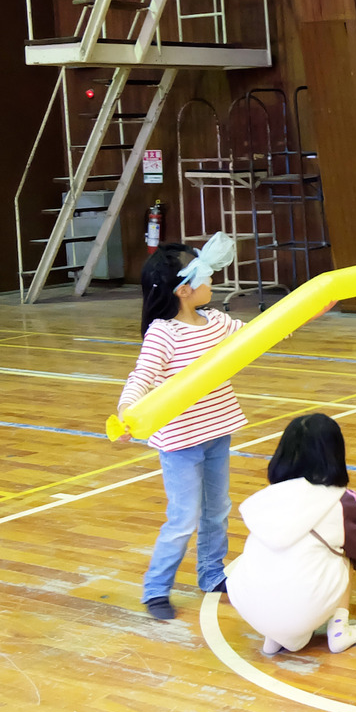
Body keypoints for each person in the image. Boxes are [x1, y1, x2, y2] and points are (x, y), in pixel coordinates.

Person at [117, 237, 245, 621]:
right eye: (207, 279)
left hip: (217, 430)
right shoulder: (163, 333)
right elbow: (141, 376)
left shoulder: (217, 322)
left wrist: (307, 313)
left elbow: (261, 334)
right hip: (179, 442)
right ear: (185, 290)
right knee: (184, 517)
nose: (214, 285)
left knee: (218, 509)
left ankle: (211, 574)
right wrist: (127, 411)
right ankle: (156, 588)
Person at [226, 413, 356, 655]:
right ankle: (339, 630)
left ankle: (274, 635)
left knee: (275, 554)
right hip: (301, 610)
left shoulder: (267, 498)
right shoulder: (341, 501)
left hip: (248, 607)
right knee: (346, 554)